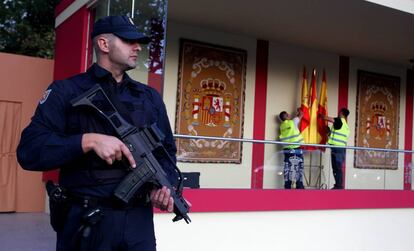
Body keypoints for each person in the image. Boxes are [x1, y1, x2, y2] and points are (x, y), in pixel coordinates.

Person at [16, 15, 182, 251]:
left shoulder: (149, 97)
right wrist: (85, 141)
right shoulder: (65, 91)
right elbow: (29, 151)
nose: (137, 47)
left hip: (138, 223)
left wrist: (164, 188)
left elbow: (167, 152)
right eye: (128, 41)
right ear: (103, 44)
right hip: (87, 221)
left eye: (138, 42)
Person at [322, 107, 350, 189]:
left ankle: (339, 186)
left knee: (337, 168)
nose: (338, 113)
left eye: (339, 112)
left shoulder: (340, 120)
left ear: (341, 113)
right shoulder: (344, 125)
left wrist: (322, 116)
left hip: (338, 149)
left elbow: (329, 119)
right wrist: (328, 132)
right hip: (337, 148)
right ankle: (338, 185)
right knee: (336, 168)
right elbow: (335, 135)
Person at [278, 108, 305, 189]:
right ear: (286, 116)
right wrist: (299, 109)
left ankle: (287, 186)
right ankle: (299, 186)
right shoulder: (292, 122)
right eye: (288, 114)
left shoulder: (282, 126)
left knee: (288, 168)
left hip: (286, 149)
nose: (289, 115)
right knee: (298, 167)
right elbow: (301, 114)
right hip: (296, 148)